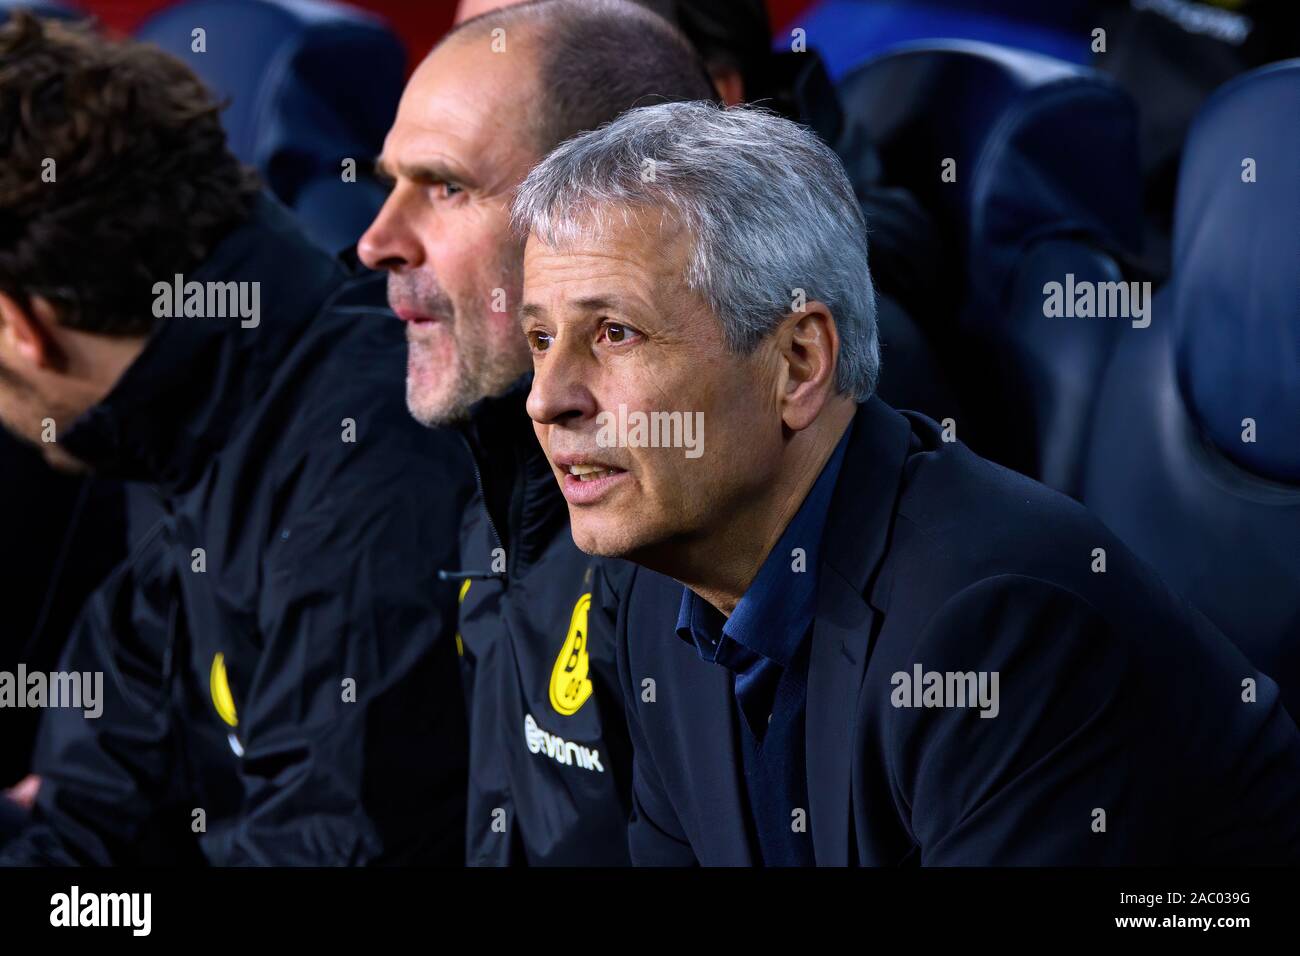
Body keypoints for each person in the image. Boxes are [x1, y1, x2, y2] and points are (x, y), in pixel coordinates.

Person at [512, 99, 1300, 865]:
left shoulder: (994, 627)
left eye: (614, 333)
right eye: (541, 340)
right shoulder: (659, 602)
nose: (547, 398)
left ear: (798, 365)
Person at [0, 12, 472, 865]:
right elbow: (87, 829)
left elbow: (331, 849)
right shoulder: (184, 428)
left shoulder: (360, 461)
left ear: (17, 326)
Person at [357, 0, 716, 865]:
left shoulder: (711, 506)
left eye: (446, 187)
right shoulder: (500, 460)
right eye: (388, 184)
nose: (377, 242)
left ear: (609, 208)